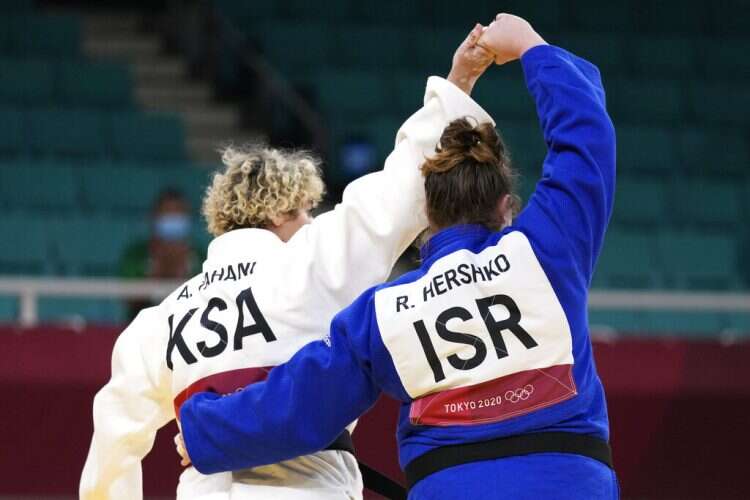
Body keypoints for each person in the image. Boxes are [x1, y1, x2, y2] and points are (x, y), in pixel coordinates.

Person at [178, 14, 618, 499]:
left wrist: (206, 431)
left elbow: (301, 403)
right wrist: (532, 47)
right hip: (568, 483)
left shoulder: (383, 312)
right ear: (505, 207)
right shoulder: (546, 247)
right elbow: (586, 141)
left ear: (425, 213)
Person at [79, 24, 495, 500]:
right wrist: (458, 83)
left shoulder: (159, 322)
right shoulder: (308, 263)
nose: (309, 222)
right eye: (304, 211)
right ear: (279, 210)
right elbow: (398, 189)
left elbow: (114, 439)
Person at [120, 189, 204, 320]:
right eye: (167, 214)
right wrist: (157, 272)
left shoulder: (202, 256)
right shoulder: (135, 254)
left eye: (178, 214)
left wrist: (182, 273)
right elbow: (126, 298)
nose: (173, 220)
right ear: (154, 218)